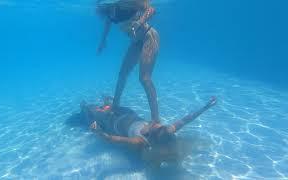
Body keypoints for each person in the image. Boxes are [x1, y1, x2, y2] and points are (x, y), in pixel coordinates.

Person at [75, 96, 217, 166]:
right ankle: (107, 104)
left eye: (159, 128)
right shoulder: (166, 131)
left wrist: (98, 132)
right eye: (162, 126)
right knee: (112, 105)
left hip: (112, 122)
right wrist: (206, 107)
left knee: (93, 111)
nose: (159, 124)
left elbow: (114, 139)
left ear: (155, 136)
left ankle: (85, 108)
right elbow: (186, 120)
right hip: (130, 114)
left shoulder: (141, 141)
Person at [96, 0, 160, 123]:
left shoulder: (127, 2)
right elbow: (108, 23)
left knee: (144, 78)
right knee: (122, 74)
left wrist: (139, 23)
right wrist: (103, 41)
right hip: (136, 43)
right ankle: (115, 107)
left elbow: (151, 9)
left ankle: (156, 120)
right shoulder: (110, 10)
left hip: (149, 37)